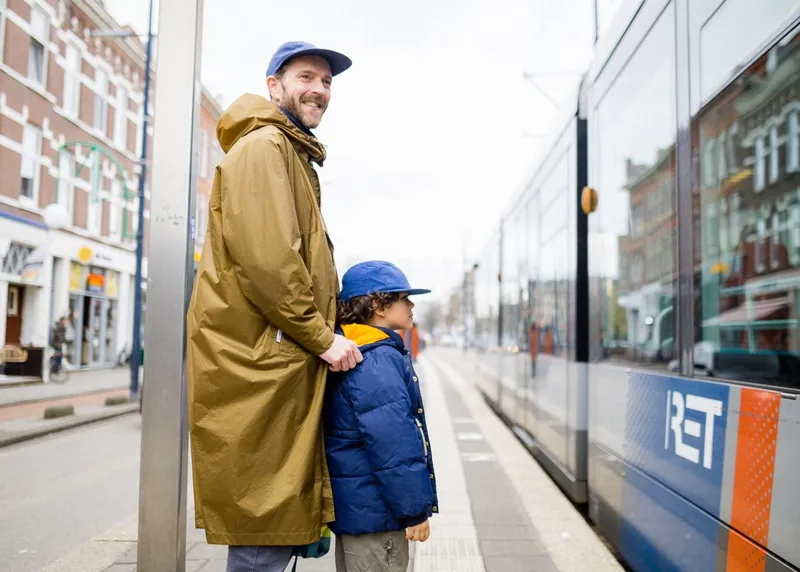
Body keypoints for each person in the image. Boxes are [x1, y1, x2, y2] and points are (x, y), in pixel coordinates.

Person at [186, 41, 361, 572]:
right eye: (307, 76)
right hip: (262, 370)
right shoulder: (266, 147)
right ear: (273, 86)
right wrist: (323, 338)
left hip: (270, 366)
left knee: (272, 535)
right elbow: (270, 262)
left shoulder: (289, 150)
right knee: (262, 544)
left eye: (327, 82)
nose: (320, 90)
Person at [323, 261, 439, 572]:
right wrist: (415, 511)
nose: (412, 305)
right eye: (403, 297)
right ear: (378, 305)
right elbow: (393, 443)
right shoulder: (376, 359)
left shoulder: (355, 348)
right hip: (378, 518)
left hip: (359, 512)